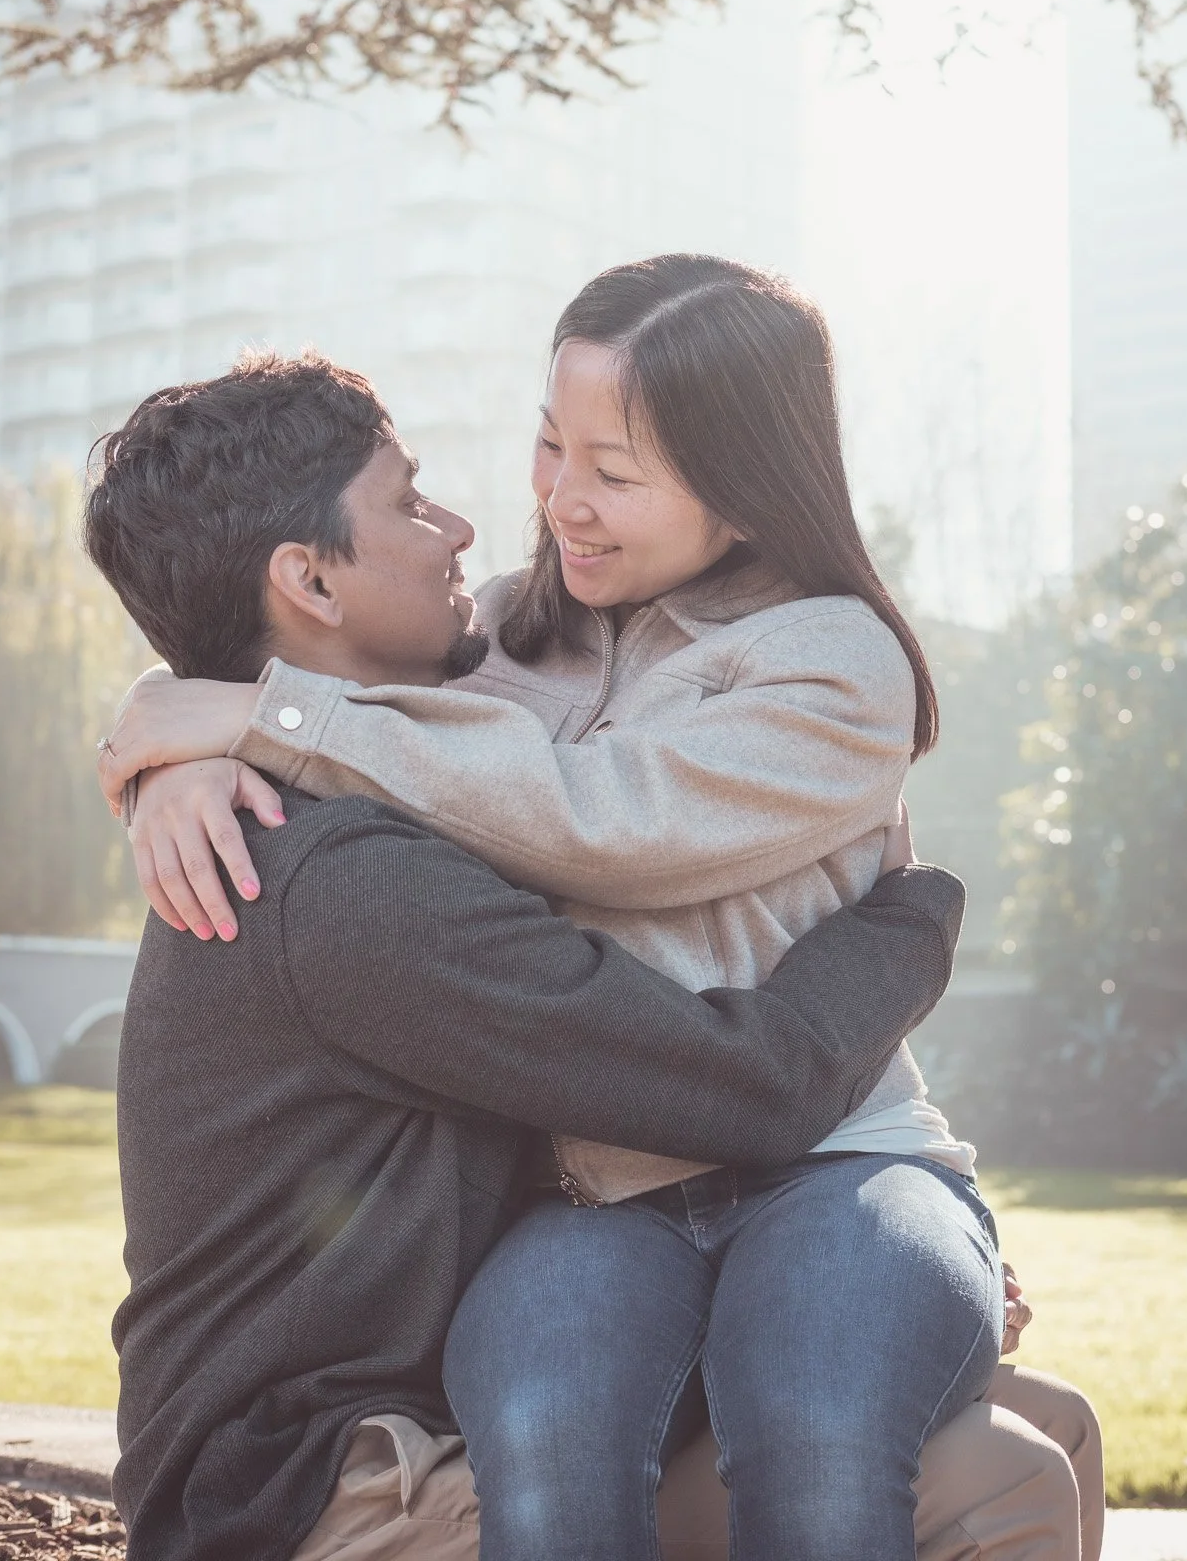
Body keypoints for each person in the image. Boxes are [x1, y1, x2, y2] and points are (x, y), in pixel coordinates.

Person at [101, 264, 1104, 1560]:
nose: (510, 513)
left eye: (611, 470)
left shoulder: (791, 660)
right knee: (992, 1477)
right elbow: (741, 1071)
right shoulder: (362, 852)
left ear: (740, 486)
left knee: (1017, 1418)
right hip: (326, 1472)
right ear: (313, 580)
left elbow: (585, 809)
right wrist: (911, 924)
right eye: (543, 449)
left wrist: (209, 723)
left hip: (789, 1178)